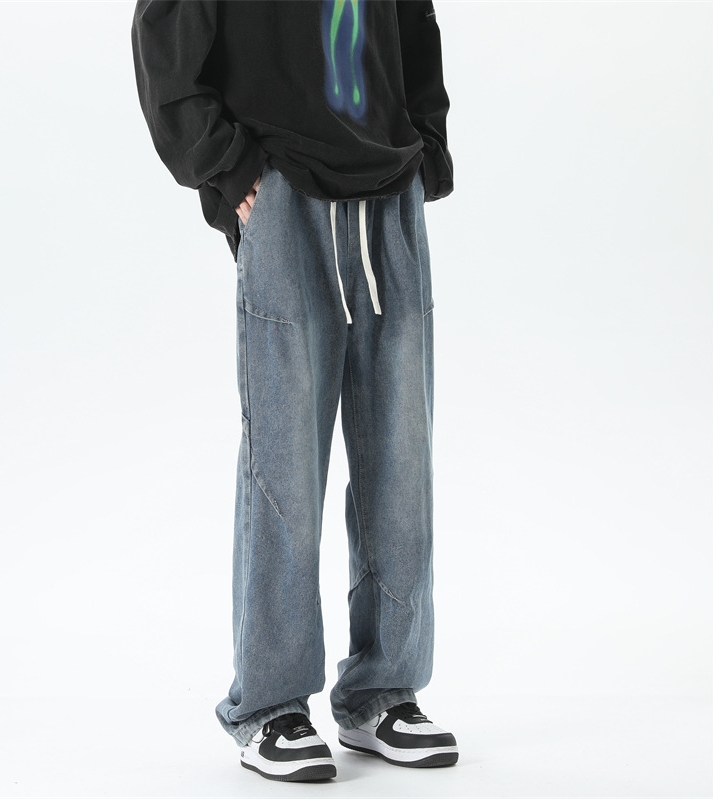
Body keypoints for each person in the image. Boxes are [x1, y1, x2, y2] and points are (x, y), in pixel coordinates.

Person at [131, 0, 457, 782]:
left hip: (389, 183)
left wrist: (427, 144)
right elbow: (164, 37)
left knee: (401, 460)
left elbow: (413, 20)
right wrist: (226, 163)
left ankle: (383, 691)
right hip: (281, 184)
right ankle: (270, 705)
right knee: (284, 459)